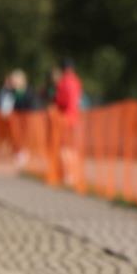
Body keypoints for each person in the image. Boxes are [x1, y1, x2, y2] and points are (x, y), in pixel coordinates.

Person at [53, 58, 83, 187]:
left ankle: (68, 175)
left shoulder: (63, 82)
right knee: (73, 147)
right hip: (76, 117)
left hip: (65, 118)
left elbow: (61, 101)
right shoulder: (76, 81)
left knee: (64, 148)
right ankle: (74, 174)